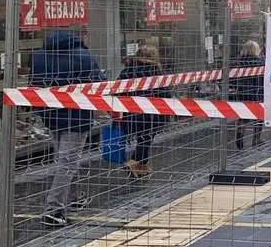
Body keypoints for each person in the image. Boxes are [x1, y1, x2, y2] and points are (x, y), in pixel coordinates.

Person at [30, 29, 106, 227]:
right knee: (68, 162)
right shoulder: (84, 56)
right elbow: (97, 84)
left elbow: (34, 83)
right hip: (77, 115)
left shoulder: (39, 56)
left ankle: (75, 196)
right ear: (82, 36)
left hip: (50, 114)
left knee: (64, 159)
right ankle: (53, 209)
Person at [118, 44, 169, 178]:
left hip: (130, 114)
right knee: (145, 140)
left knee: (143, 140)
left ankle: (142, 167)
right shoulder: (156, 73)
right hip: (151, 115)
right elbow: (166, 95)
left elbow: (117, 91)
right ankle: (134, 162)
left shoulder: (127, 71)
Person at [231, 40, 264, 149]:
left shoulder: (239, 62)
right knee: (259, 116)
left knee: (243, 117)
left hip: (242, 93)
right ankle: (256, 139)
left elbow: (233, 79)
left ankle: (240, 137)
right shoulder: (260, 62)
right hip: (257, 92)